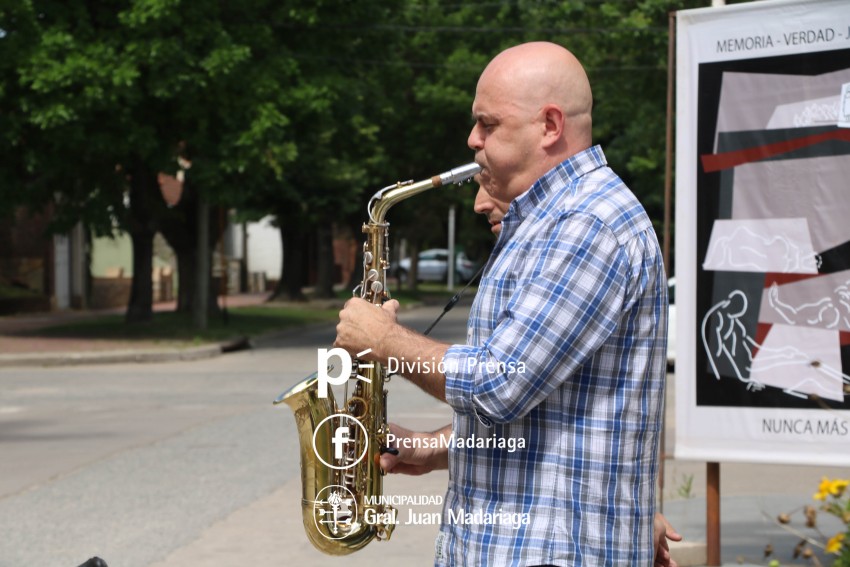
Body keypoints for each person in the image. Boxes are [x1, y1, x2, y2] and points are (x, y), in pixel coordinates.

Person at [335, 41, 669, 566]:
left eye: (488, 124)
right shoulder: (553, 222)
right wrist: (440, 447)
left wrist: (383, 341)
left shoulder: (586, 225)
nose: (472, 139)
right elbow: (552, 417)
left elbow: (500, 384)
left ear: (550, 125)